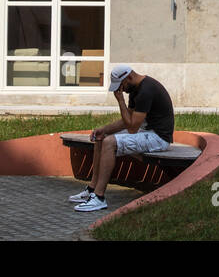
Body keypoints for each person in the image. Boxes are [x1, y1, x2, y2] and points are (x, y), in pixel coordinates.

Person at [69, 65, 175, 212]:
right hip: (146, 132)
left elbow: (131, 128)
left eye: (121, 86)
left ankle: (99, 198)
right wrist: (104, 130)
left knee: (110, 142)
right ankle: (92, 189)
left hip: (158, 138)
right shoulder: (135, 89)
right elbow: (127, 121)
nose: (121, 90)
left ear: (129, 77)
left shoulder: (146, 91)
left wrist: (120, 102)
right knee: (102, 137)